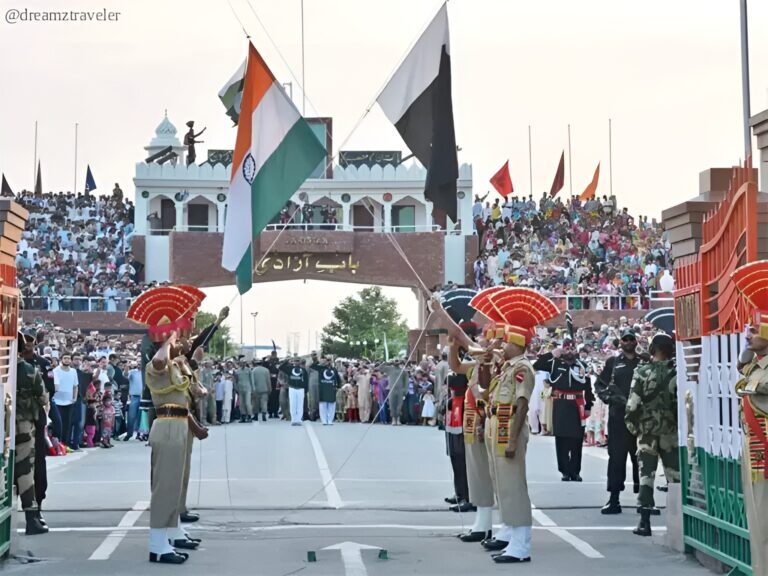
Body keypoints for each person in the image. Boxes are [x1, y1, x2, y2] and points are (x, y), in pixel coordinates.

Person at [730, 262, 768, 573]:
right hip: (754, 449)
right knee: (757, 523)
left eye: (754, 328)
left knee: (765, 524)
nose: (749, 333)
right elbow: (742, 376)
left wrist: (747, 383)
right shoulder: (758, 362)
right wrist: (748, 348)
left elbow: (754, 387)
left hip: (764, 451)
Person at [625, 331, 679, 537]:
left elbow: (632, 404)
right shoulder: (676, 373)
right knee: (675, 477)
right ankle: (679, 523)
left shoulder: (642, 372)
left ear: (652, 349)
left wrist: (633, 427)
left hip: (647, 432)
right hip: (670, 431)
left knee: (646, 475)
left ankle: (644, 522)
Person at [595, 328, 641, 514]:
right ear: (620, 343)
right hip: (618, 418)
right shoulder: (613, 362)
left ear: (636, 342)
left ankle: (645, 498)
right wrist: (608, 397)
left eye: (631, 339)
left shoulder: (643, 362)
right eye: (625, 339)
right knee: (617, 459)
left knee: (642, 459)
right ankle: (614, 499)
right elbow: (600, 384)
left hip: (640, 418)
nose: (628, 342)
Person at [533, 339, 593, 481]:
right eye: (566, 349)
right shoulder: (555, 363)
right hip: (561, 404)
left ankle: (575, 471)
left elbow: (588, 387)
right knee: (562, 439)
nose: (569, 352)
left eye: (572, 349)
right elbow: (537, 365)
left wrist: (589, 405)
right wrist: (552, 354)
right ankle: (565, 471)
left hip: (577, 405)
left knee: (577, 440)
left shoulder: (582, 366)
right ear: (562, 349)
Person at [15, 332, 49, 535]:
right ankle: (31, 517)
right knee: (26, 472)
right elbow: (43, 397)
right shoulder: (30, 370)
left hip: (6, 426)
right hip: (25, 426)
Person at [52, 353, 78, 447]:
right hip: (57, 401)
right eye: (65, 358)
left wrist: (74, 398)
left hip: (69, 401)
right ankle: (57, 444)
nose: (67, 360)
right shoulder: (56, 370)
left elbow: (75, 386)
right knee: (58, 423)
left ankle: (65, 445)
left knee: (68, 424)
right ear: (61, 359)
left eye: (68, 358)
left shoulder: (73, 371)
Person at [281, 357, 308, 425]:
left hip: (300, 389)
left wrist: (306, 390)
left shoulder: (303, 370)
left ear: (300, 362)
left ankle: (298, 419)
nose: (296, 362)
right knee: (293, 404)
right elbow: (281, 367)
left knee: (299, 405)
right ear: (293, 362)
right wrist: (286, 361)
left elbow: (306, 381)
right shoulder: (290, 369)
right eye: (295, 361)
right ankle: (293, 420)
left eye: (298, 361)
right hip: (292, 388)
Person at [316, 357, 340, 425]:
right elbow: (313, 366)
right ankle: (324, 420)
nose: (328, 362)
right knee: (323, 405)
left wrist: (338, 387)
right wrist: (321, 363)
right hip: (323, 388)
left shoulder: (334, 370)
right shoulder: (321, 368)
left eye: (330, 360)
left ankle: (330, 420)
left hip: (331, 388)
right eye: (327, 360)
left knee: (331, 405)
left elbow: (338, 379)